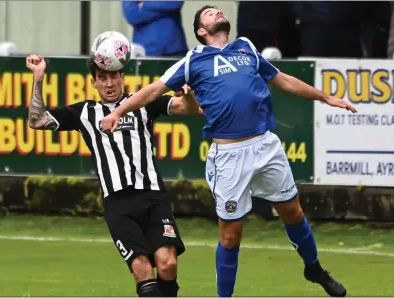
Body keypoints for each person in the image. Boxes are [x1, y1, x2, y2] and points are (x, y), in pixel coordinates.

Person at [99, 5, 357, 297]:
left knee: (294, 213)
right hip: (230, 156)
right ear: (200, 30)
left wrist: (325, 97)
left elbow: (282, 79)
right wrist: (119, 111)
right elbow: (154, 90)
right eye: (209, 13)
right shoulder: (194, 59)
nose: (217, 12)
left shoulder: (245, 47)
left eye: (218, 10)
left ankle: (314, 268)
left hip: (265, 145)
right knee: (231, 235)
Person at [26, 54, 200, 297]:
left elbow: (190, 109)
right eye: (102, 78)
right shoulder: (84, 112)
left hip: (153, 197)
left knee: (167, 264)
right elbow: (37, 120)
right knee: (141, 267)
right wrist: (38, 77)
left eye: (113, 77)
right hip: (118, 204)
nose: (108, 84)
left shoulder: (143, 103)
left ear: (122, 78)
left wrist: (188, 94)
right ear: (93, 83)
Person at [122, 1, 188, 57]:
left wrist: (144, 3)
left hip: (174, 47)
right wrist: (165, 9)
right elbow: (132, 15)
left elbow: (175, 3)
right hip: (145, 51)